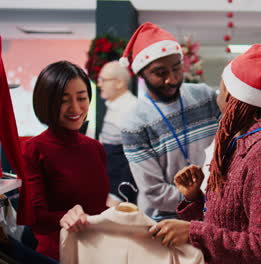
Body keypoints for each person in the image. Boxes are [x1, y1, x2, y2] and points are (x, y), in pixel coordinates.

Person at [149, 44, 261, 264]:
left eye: (221, 89)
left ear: (230, 93)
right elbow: (230, 225)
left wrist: (193, 233)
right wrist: (195, 199)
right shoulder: (242, 144)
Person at [118, 22, 220, 220]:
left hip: (213, 217)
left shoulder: (205, 97)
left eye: (176, 68)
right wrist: (202, 198)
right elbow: (154, 192)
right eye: (160, 73)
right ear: (141, 74)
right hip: (164, 223)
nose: (172, 79)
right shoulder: (134, 123)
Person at [21, 61, 110, 260]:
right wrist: (65, 217)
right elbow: (36, 216)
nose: (75, 108)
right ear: (47, 102)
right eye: (64, 100)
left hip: (98, 251)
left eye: (82, 98)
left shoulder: (95, 148)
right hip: (57, 254)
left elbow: (97, 206)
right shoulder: (33, 149)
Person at [97, 61, 138, 204]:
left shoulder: (131, 108)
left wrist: (118, 196)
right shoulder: (115, 104)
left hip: (119, 192)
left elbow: (135, 158)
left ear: (119, 83)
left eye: (103, 80)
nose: (99, 84)